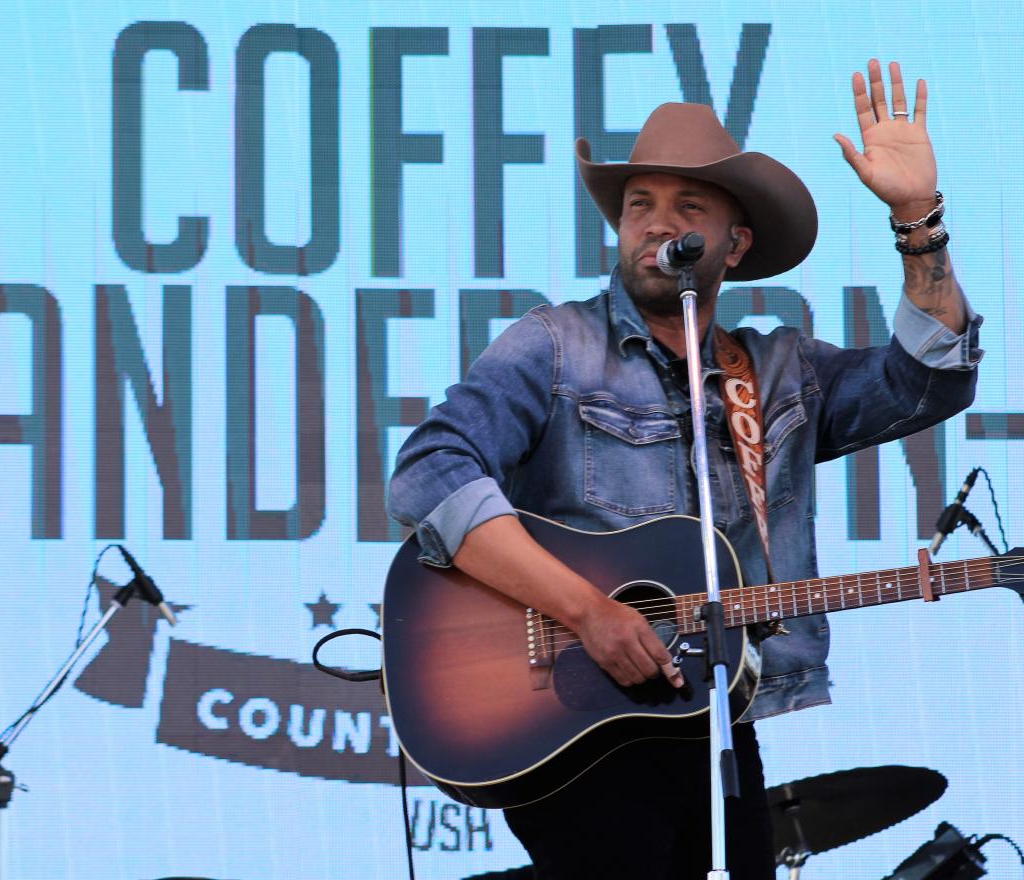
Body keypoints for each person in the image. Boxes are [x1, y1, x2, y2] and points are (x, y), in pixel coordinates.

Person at [386, 60, 981, 879]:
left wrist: (919, 219)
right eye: (639, 205)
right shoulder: (554, 346)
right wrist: (590, 611)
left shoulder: (778, 372)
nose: (654, 225)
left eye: (687, 208)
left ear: (734, 244)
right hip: (568, 715)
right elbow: (430, 473)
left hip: (710, 716)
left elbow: (929, 381)